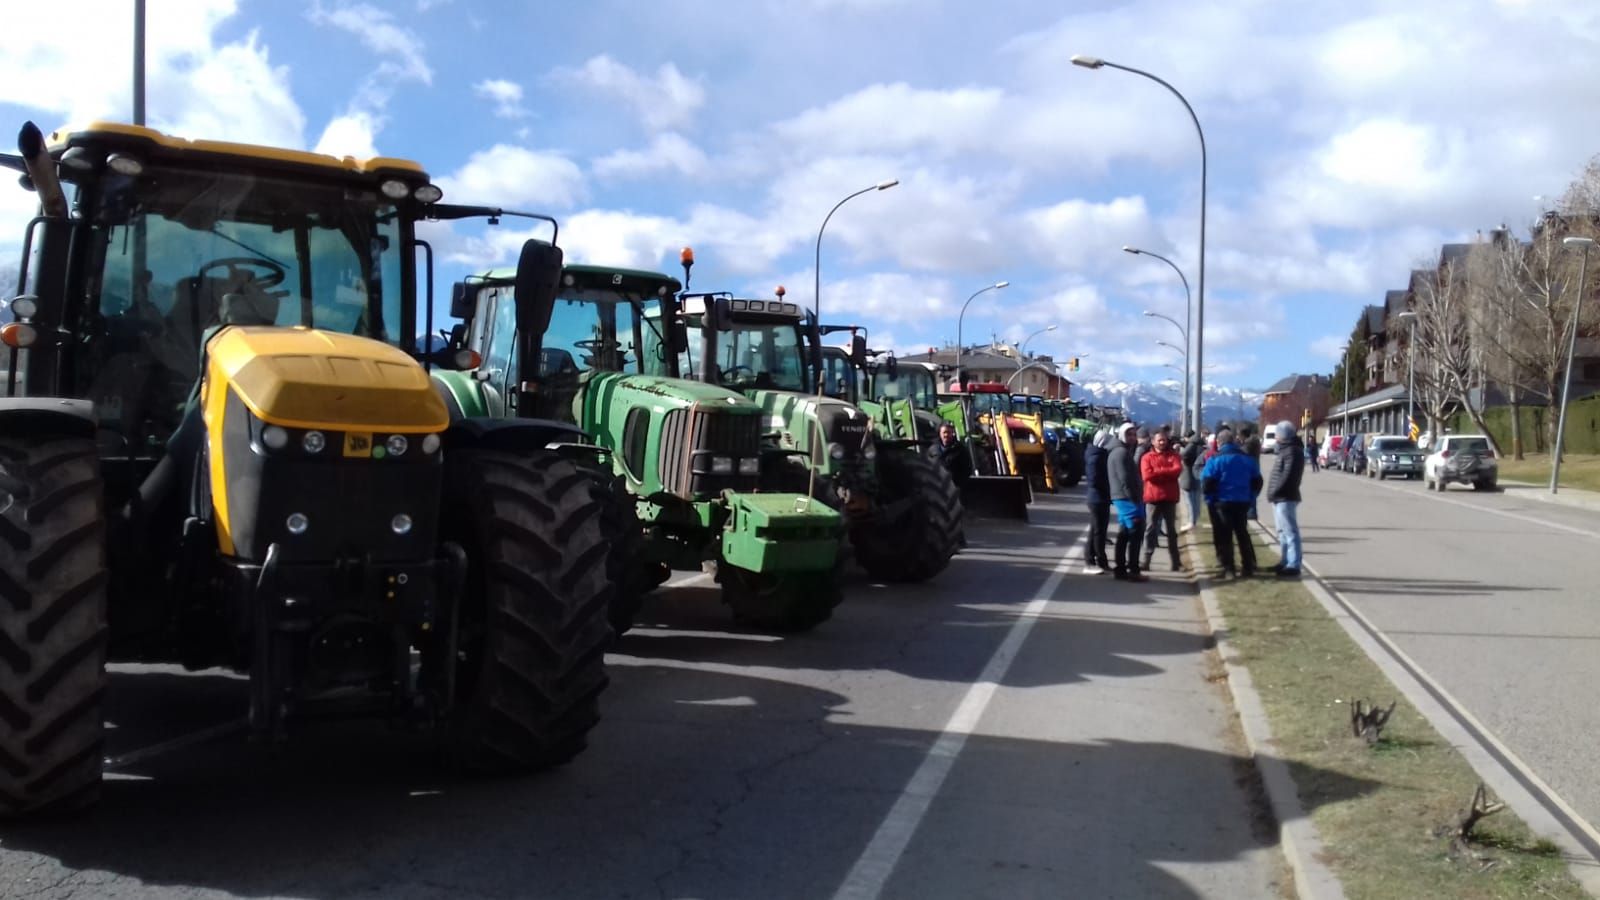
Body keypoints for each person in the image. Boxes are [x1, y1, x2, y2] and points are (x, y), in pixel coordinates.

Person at [1201, 428, 1263, 578]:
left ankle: (1229, 568)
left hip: (1223, 502)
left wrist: (1211, 499)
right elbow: (1257, 481)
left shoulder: (1215, 460)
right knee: (1242, 533)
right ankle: (1248, 566)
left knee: (1225, 535)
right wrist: (1251, 496)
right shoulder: (1248, 459)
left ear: (1219, 442)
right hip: (1242, 502)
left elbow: (1207, 483)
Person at [1107, 422, 1148, 582]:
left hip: (1123, 497)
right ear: (1122, 435)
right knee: (1135, 533)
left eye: (1133, 434)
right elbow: (1125, 479)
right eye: (1129, 434)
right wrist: (1135, 497)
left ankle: (1121, 569)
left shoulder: (1122, 451)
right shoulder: (1121, 453)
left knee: (1124, 533)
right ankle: (1133, 570)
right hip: (1126, 498)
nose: (1132, 438)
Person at [1140, 430, 1185, 572]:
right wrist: (1166, 472)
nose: (1162, 442)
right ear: (1153, 441)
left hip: (1169, 497)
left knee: (1171, 530)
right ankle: (1146, 560)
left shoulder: (1174, 456)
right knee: (1150, 529)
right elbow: (1147, 475)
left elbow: (1177, 470)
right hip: (1153, 498)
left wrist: (1158, 472)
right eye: (1159, 440)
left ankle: (1175, 561)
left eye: (1164, 440)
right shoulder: (1146, 457)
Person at [1267, 420, 1305, 578]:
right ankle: (1284, 560)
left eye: (1277, 433)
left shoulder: (1292, 451)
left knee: (1290, 531)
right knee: (1281, 531)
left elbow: (1287, 476)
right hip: (1279, 497)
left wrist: (1275, 490)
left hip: (1286, 496)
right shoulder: (1284, 450)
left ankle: (1294, 563)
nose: (1275, 436)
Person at [1081, 429, 1115, 574]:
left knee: (1096, 530)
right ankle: (1096, 561)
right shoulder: (1096, 457)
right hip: (1097, 498)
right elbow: (1094, 479)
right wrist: (1108, 487)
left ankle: (1093, 560)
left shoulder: (1098, 454)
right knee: (1098, 532)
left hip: (1099, 498)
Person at [1179, 429, 1205, 532]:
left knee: (1190, 501)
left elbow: (1184, 455)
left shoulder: (1191, 445)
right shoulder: (1201, 444)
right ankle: (1194, 520)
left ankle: (1191, 522)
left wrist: (1181, 451)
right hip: (1197, 474)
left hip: (1188, 474)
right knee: (1196, 500)